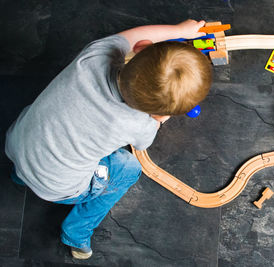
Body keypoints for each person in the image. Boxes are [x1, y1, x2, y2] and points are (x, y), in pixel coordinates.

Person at [5, 19, 212, 259]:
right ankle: (77, 231)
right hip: (59, 188)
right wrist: (159, 119)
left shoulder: (96, 54)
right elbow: (142, 143)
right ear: (162, 112)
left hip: (17, 143)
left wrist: (179, 31)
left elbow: (135, 35)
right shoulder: (140, 124)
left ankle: (19, 176)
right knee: (128, 168)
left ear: (141, 47)